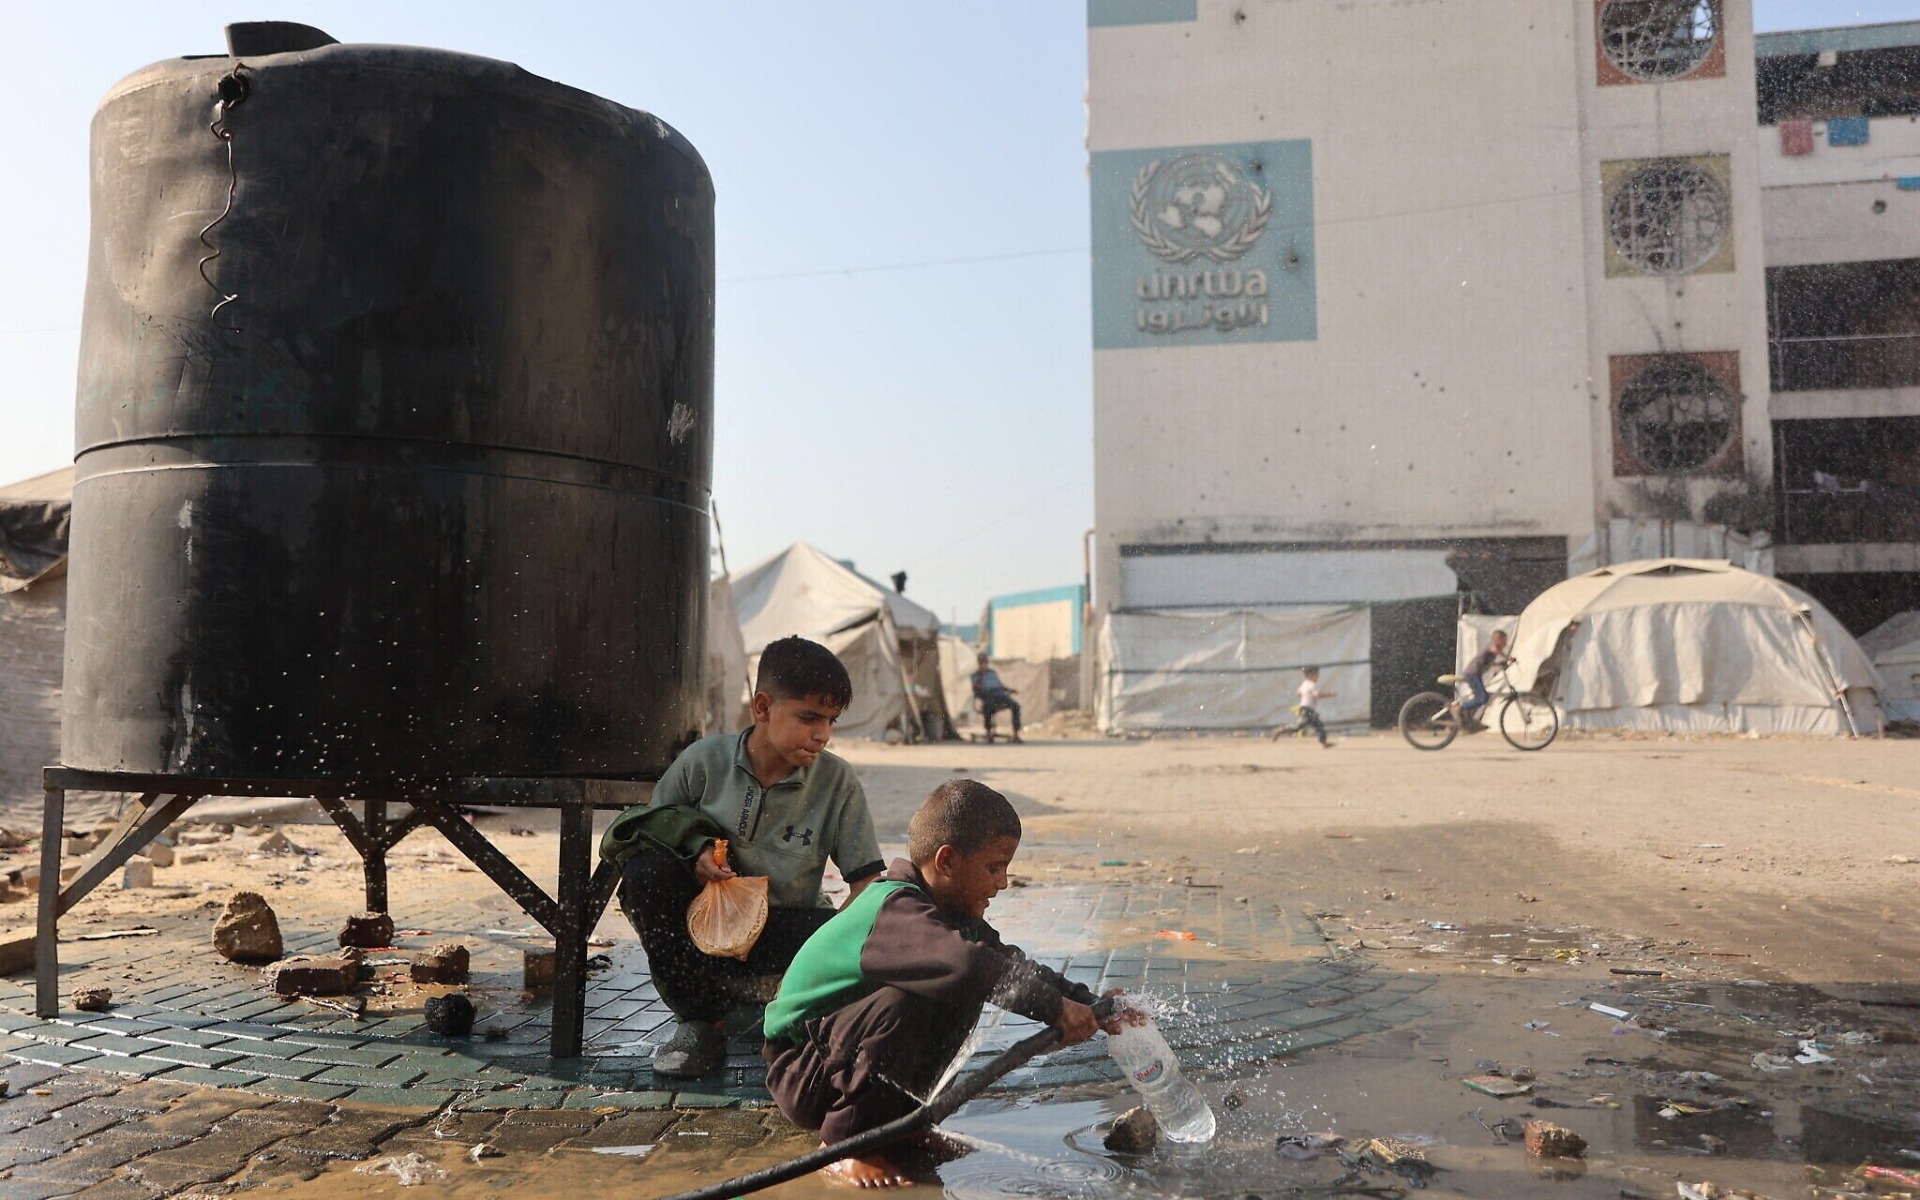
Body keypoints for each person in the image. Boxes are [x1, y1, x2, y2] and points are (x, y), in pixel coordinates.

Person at [762, 780, 1120, 1189]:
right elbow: (966, 965)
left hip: (835, 1056)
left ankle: (902, 1122)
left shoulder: (948, 915)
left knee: (977, 977)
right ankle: (846, 1144)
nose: (1002, 883)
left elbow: (1007, 964)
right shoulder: (893, 908)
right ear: (947, 861)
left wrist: (1087, 1003)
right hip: (801, 1069)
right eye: (994, 867)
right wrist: (1054, 1010)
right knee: (923, 992)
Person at [599, 636, 885, 1079]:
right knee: (643, 875)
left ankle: (792, 1006)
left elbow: (867, 884)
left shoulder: (837, 782)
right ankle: (701, 1024)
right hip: (704, 931)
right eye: (809, 717)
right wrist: (694, 854)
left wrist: (830, 956)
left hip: (785, 931)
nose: (822, 735)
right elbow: (644, 833)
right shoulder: (703, 762)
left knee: (879, 930)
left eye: (830, 721)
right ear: (763, 707)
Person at [1452, 629, 1511, 729]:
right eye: (1504, 640)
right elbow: (1495, 650)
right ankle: (1459, 708)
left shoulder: (1492, 651)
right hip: (1472, 673)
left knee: (1482, 698)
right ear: (1498, 639)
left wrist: (1499, 664)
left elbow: (1487, 662)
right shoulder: (1491, 646)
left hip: (1475, 674)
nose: (1505, 643)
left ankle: (1469, 720)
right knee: (1482, 698)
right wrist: (1508, 657)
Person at [1271, 666, 1335, 748]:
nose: (1318, 677)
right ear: (1310, 675)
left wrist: (1305, 696)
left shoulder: (1304, 683)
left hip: (1305, 708)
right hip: (1307, 709)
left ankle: (1324, 742)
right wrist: (1330, 694)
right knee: (1300, 726)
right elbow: (1317, 695)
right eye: (1316, 674)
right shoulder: (1311, 684)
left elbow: (1298, 693)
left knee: (1317, 725)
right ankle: (1279, 730)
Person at [971, 652, 1022, 743]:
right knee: (988, 708)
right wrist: (981, 676)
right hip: (987, 696)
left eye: (985, 661)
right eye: (982, 661)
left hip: (999, 695)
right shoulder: (975, 675)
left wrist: (1010, 690)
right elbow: (976, 690)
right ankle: (989, 732)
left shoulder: (992, 673)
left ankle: (1016, 734)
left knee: (1015, 706)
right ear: (978, 663)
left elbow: (1000, 686)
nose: (984, 663)